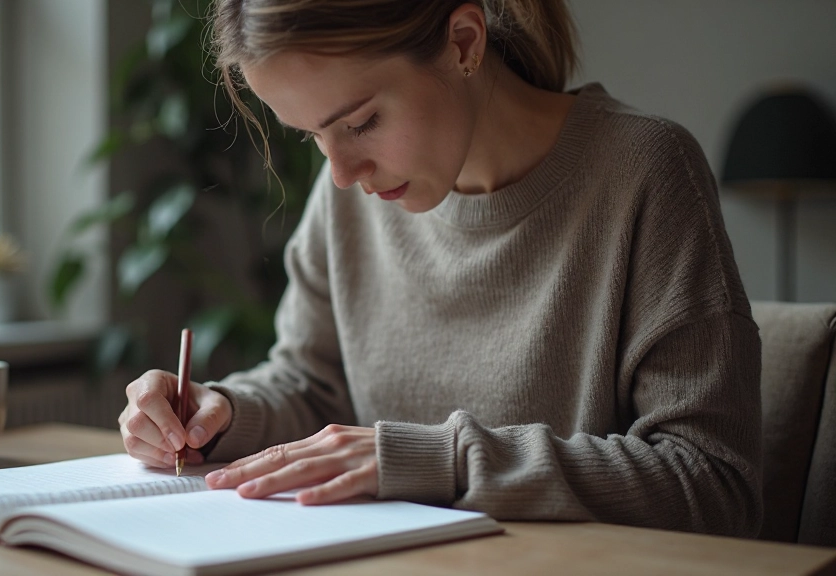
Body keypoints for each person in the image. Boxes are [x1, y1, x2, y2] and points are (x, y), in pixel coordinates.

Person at [118, 0, 763, 537]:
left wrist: (436, 460)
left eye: (363, 122)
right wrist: (221, 413)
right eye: (313, 135)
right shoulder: (354, 197)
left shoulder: (645, 173)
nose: (341, 174)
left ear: (462, 43)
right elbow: (312, 385)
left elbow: (713, 482)